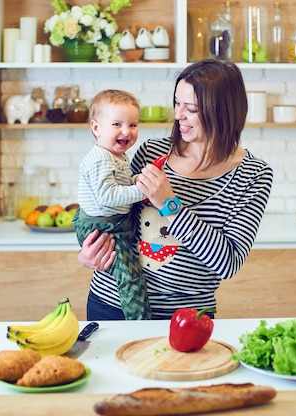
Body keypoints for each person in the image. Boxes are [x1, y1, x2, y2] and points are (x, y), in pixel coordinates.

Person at [78, 59, 274, 320]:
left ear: (223, 111)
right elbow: (110, 214)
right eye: (177, 103)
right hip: (112, 303)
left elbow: (228, 263)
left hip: (185, 317)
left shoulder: (253, 175)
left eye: (191, 108)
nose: (179, 115)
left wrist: (169, 203)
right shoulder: (152, 152)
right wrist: (88, 253)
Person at [72, 89, 151, 320]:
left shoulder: (116, 155)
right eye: (117, 124)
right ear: (96, 128)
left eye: (133, 125)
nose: (126, 131)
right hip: (104, 228)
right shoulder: (100, 159)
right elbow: (108, 197)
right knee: (130, 276)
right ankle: (140, 323)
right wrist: (142, 190)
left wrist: (136, 180)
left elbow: (120, 183)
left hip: (112, 223)